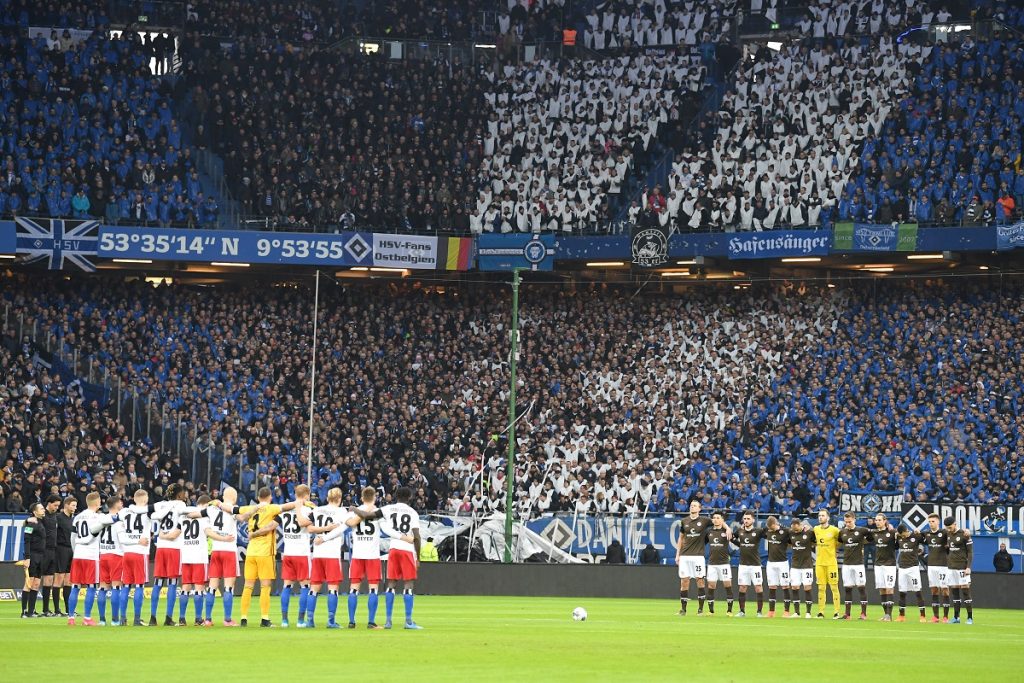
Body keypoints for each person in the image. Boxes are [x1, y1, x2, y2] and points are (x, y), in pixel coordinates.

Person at [217, 485, 304, 627]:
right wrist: (303, 501)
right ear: (270, 497)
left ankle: (244, 618)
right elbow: (289, 506)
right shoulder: (272, 508)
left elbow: (232, 509)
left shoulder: (248, 508)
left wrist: (219, 504)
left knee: (248, 586)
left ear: (258, 498)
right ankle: (264, 619)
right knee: (265, 586)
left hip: (250, 552)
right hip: (265, 553)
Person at [194, 487, 247, 626]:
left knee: (212, 587)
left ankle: (208, 619)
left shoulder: (212, 509)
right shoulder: (232, 508)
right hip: (229, 550)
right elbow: (241, 517)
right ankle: (227, 619)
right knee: (228, 587)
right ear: (234, 498)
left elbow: (196, 514)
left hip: (216, 551)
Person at [67, 492, 119, 626]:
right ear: (97, 503)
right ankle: (87, 618)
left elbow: (72, 537)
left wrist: (75, 551)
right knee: (91, 587)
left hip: (78, 553)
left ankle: (71, 618)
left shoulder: (77, 517)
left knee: (75, 586)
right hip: (91, 555)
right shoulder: (98, 517)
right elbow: (113, 519)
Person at [379, 486, 423, 629]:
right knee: (408, 585)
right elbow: (416, 536)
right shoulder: (413, 512)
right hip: (406, 549)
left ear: (396, 496)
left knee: (391, 584)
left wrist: (355, 510)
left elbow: (370, 515)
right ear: (409, 497)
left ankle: (388, 621)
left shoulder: (388, 509)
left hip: (393, 548)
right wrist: (418, 557)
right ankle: (408, 621)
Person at [306, 487, 351, 629]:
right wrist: (326, 536)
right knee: (333, 588)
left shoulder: (317, 510)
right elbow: (341, 528)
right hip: (331, 553)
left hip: (318, 553)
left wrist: (321, 535)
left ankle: (310, 620)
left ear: (327, 498)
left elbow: (309, 528)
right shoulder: (342, 511)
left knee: (314, 588)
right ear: (339, 499)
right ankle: (331, 621)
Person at [344, 487, 385, 628]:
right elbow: (386, 529)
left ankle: (351, 621)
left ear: (362, 497)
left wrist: (356, 510)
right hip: (372, 555)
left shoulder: (356, 511)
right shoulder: (378, 512)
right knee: (373, 589)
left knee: (353, 589)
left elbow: (349, 523)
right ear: (374, 497)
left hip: (357, 555)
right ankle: (371, 622)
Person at [151, 484, 188, 626]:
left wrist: (161, 536)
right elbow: (177, 532)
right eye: (183, 493)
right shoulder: (181, 506)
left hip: (161, 548)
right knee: (173, 583)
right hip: (174, 548)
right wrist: (168, 536)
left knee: (158, 582)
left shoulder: (161, 506)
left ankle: (153, 618)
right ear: (179, 495)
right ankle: (168, 618)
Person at [277, 484, 313, 628]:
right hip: (302, 553)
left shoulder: (285, 510)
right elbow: (305, 524)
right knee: (305, 586)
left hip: (288, 552)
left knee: (287, 585)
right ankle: (300, 620)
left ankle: (284, 620)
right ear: (306, 495)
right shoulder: (309, 509)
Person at [120, 489, 155, 626]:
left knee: (126, 585)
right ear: (146, 500)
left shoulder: (124, 512)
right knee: (139, 585)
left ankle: (123, 619)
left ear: (134, 499)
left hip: (127, 552)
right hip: (140, 552)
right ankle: (136, 619)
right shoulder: (148, 512)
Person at [674, 500, 714, 616]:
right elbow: (681, 538)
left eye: (695, 506)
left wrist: (727, 528)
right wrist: (678, 555)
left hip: (698, 556)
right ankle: (683, 610)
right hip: (685, 555)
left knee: (700, 581)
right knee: (684, 581)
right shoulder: (684, 521)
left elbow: (718, 522)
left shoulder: (704, 520)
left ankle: (700, 609)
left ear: (699, 509)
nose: (692, 507)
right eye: (691, 505)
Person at [96, 496, 125, 626]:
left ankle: (102, 620)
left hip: (103, 554)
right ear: (116, 504)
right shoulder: (120, 520)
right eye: (121, 502)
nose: (122, 503)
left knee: (102, 588)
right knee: (116, 587)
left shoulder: (102, 518)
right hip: (116, 555)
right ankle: (115, 620)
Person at [838, 512, 871, 620]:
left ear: (854, 520)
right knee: (847, 588)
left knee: (861, 587)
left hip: (858, 564)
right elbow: (839, 542)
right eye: (846, 522)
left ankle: (863, 613)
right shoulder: (842, 532)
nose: (847, 524)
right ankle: (847, 614)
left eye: (849, 521)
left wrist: (862, 543)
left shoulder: (862, 530)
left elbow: (871, 538)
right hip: (846, 564)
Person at [734, 511, 765, 618]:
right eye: (745, 519)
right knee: (742, 587)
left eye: (748, 519)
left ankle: (759, 612)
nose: (746, 521)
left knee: (758, 587)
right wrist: (741, 545)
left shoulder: (758, 531)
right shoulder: (740, 531)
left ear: (753, 520)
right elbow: (732, 538)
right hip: (743, 565)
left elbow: (769, 534)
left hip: (755, 564)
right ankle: (742, 611)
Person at [17, 502, 47, 617]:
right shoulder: (30, 524)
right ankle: (24, 611)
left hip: (41, 556)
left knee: (36, 584)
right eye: (41, 509)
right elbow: (27, 541)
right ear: (35, 512)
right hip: (33, 556)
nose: (43, 510)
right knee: (29, 583)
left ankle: (31, 611)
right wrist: (27, 558)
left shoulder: (39, 522)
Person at [868, 512, 898, 621]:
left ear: (885, 521)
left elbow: (902, 535)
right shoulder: (874, 533)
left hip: (889, 565)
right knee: (882, 589)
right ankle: (885, 614)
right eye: (876, 520)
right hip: (878, 565)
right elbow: (865, 537)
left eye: (880, 520)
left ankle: (889, 615)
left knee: (889, 588)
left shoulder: (892, 532)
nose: (877, 522)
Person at [812, 509, 841, 619]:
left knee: (834, 587)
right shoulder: (816, 529)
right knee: (821, 588)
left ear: (828, 518)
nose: (820, 517)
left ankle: (837, 612)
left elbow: (841, 540)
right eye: (819, 516)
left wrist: (835, 550)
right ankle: (821, 612)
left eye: (823, 516)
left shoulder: (834, 530)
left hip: (831, 563)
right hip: (819, 563)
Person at [895, 524, 928, 623]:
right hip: (902, 568)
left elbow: (927, 540)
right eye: (901, 535)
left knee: (917, 591)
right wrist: (895, 537)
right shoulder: (899, 538)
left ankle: (922, 616)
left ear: (906, 530)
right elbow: (896, 546)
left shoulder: (915, 536)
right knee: (902, 592)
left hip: (913, 568)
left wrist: (921, 533)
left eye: (904, 534)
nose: (903, 536)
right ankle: (901, 615)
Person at [945, 517, 974, 624]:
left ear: (955, 524)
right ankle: (956, 617)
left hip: (962, 568)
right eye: (947, 528)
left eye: (950, 527)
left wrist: (968, 567)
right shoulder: (947, 534)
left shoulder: (964, 534)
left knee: (965, 591)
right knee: (955, 593)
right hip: (951, 568)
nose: (949, 529)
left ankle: (970, 617)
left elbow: (970, 552)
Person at [705, 512, 734, 616]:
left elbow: (735, 540)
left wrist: (727, 528)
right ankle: (711, 611)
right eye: (714, 518)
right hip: (712, 563)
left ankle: (729, 610)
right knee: (711, 585)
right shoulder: (709, 532)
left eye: (718, 518)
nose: (716, 519)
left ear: (722, 520)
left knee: (727, 585)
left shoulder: (726, 531)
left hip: (724, 563)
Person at [923, 512, 951, 622]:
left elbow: (954, 534)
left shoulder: (944, 533)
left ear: (938, 522)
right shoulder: (927, 534)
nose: (931, 524)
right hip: (931, 566)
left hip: (943, 566)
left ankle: (945, 617)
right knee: (934, 590)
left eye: (933, 521)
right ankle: (935, 616)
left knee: (945, 590)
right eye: (929, 522)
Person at [764, 515, 791, 618]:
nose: (771, 530)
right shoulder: (767, 530)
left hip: (782, 563)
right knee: (772, 586)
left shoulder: (785, 531)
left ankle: (787, 611)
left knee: (785, 586)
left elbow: (794, 533)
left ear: (776, 524)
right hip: (770, 563)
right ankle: (771, 611)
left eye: (772, 528)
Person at [787, 519, 815, 618]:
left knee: (807, 587)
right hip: (795, 565)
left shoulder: (809, 532)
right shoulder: (790, 533)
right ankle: (797, 612)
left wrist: (810, 528)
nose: (795, 530)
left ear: (801, 525)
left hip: (807, 565)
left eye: (796, 528)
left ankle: (808, 612)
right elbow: (789, 543)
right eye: (793, 529)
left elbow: (816, 538)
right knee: (794, 587)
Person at [55, 496, 76, 616]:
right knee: (59, 579)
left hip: (72, 550)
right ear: (66, 505)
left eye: (75, 505)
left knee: (69, 580)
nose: (75, 507)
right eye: (73, 505)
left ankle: (69, 610)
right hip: (61, 549)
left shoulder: (74, 519)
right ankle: (57, 610)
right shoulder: (58, 518)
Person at [40, 495, 60, 616]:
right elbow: (29, 524)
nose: (56, 507)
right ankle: (29, 610)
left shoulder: (55, 517)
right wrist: (27, 521)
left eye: (58, 505)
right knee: (36, 580)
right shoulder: (42, 514)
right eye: (55, 505)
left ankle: (46, 609)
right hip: (43, 551)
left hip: (53, 550)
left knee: (49, 579)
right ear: (49, 503)